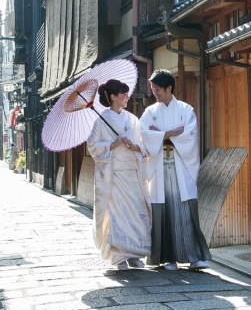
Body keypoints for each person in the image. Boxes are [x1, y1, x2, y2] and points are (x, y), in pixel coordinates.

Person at [140, 69, 211, 271]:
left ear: (169, 88)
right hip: (160, 167)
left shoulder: (185, 110)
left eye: (158, 89)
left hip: (181, 166)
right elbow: (144, 134)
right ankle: (167, 258)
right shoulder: (150, 112)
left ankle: (193, 257)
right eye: (153, 89)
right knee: (164, 213)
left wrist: (160, 135)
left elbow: (188, 135)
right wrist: (171, 133)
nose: (155, 93)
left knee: (186, 211)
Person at [85, 79, 151, 271]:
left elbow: (143, 143)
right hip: (114, 176)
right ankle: (119, 257)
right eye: (123, 94)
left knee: (136, 215)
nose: (126, 97)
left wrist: (135, 146)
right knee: (117, 216)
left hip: (132, 174)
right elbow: (93, 146)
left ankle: (135, 254)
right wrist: (112, 145)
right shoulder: (100, 121)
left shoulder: (133, 119)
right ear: (113, 97)